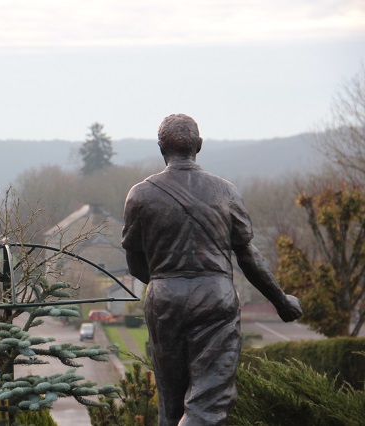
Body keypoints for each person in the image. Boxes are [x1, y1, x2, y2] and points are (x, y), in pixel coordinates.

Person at [122, 114, 302, 426]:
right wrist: (281, 300)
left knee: (171, 405)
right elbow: (248, 256)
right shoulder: (226, 193)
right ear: (199, 146)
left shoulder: (140, 195)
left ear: (160, 148)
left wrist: (167, 286)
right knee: (208, 401)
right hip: (215, 297)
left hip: (164, 297)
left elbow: (134, 261)